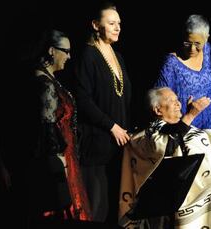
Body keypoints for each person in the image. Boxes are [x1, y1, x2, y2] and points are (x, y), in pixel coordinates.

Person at [119, 87, 211, 229]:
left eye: (177, 100)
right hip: (187, 188)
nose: (178, 104)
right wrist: (190, 115)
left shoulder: (184, 127)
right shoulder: (152, 132)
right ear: (157, 110)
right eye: (171, 100)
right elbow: (167, 147)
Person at [74, 1, 132, 224]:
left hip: (118, 145)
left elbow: (122, 99)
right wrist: (112, 126)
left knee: (113, 208)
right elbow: (83, 99)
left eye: (119, 23)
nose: (117, 27)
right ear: (96, 25)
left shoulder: (119, 56)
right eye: (111, 23)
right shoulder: (88, 55)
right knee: (96, 207)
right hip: (97, 142)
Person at [29, 29, 91, 221]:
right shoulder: (44, 84)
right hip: (58, 160)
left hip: (66, 155)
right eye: (66, 51)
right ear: (51, 51)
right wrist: (60, 160)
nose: (69, 56)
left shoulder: (51, 80)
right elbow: (46, 127)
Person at [154, 14, 211, 129]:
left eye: (197, 44)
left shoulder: (207, 50)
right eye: (187, 43)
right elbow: (160, 103)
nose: (192, 49)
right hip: (184, 129)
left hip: (208, 128)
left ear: (206, 38)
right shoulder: (171, 63)